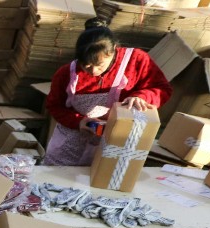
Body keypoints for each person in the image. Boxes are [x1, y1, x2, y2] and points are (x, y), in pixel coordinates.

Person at [43, 18, 172, 166]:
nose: (93, 71)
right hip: (69, 146)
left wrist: (142, 97)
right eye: (86, 65)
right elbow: (54, 106)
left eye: (99, 65)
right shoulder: (66, 73)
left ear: (113, 51)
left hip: (114, 146)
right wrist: (78, 122)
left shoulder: (136, 60)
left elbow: (163, 89)